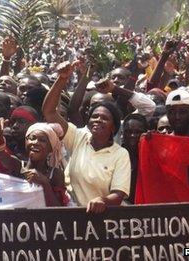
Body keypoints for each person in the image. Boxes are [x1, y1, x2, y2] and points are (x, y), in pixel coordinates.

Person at [42, 61, 131, 212]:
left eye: (104, 118)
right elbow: (49, 112)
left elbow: (118, 194)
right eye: (94, 116)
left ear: (114, 127)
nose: (98, 120)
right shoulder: (78, 137)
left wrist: (102, 201)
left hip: (104, 219)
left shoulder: (120, 154)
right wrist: (62, 79)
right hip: (74, 215)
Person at [0, 119, 69, 206]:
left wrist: (45, 184)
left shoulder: (55, 174)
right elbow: (1, 154)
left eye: (42, 140)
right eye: (32, 138)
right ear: (26, 142)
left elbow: (59, 210)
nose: (35, 143)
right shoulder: (17, 166)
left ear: (50, 149)